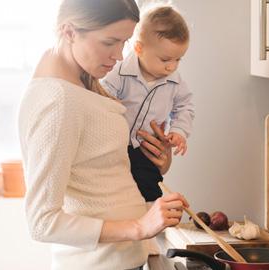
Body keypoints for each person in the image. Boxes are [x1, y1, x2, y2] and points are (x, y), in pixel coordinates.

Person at [18, 1, 188, 269]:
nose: (119, 55)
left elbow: (98, 175)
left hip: (120, 260)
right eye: (110, 42)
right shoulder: (58, 100)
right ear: (70, 31)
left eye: (124, 42)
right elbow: (42, 222)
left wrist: (159, 163)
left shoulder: (82, 82)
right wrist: (138, 227)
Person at [101, 5, 194, 254]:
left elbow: (185, 106)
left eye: (178, 59)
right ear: (139, 48)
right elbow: (101, 97)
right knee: (122, 186)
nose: (172, 66)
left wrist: (180, 132)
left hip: (145, 146)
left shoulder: (174, 81)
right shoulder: (119, 72)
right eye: (166, 59)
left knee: (150, 183)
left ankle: (151, 234)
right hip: (118, 144)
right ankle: (139, 227)